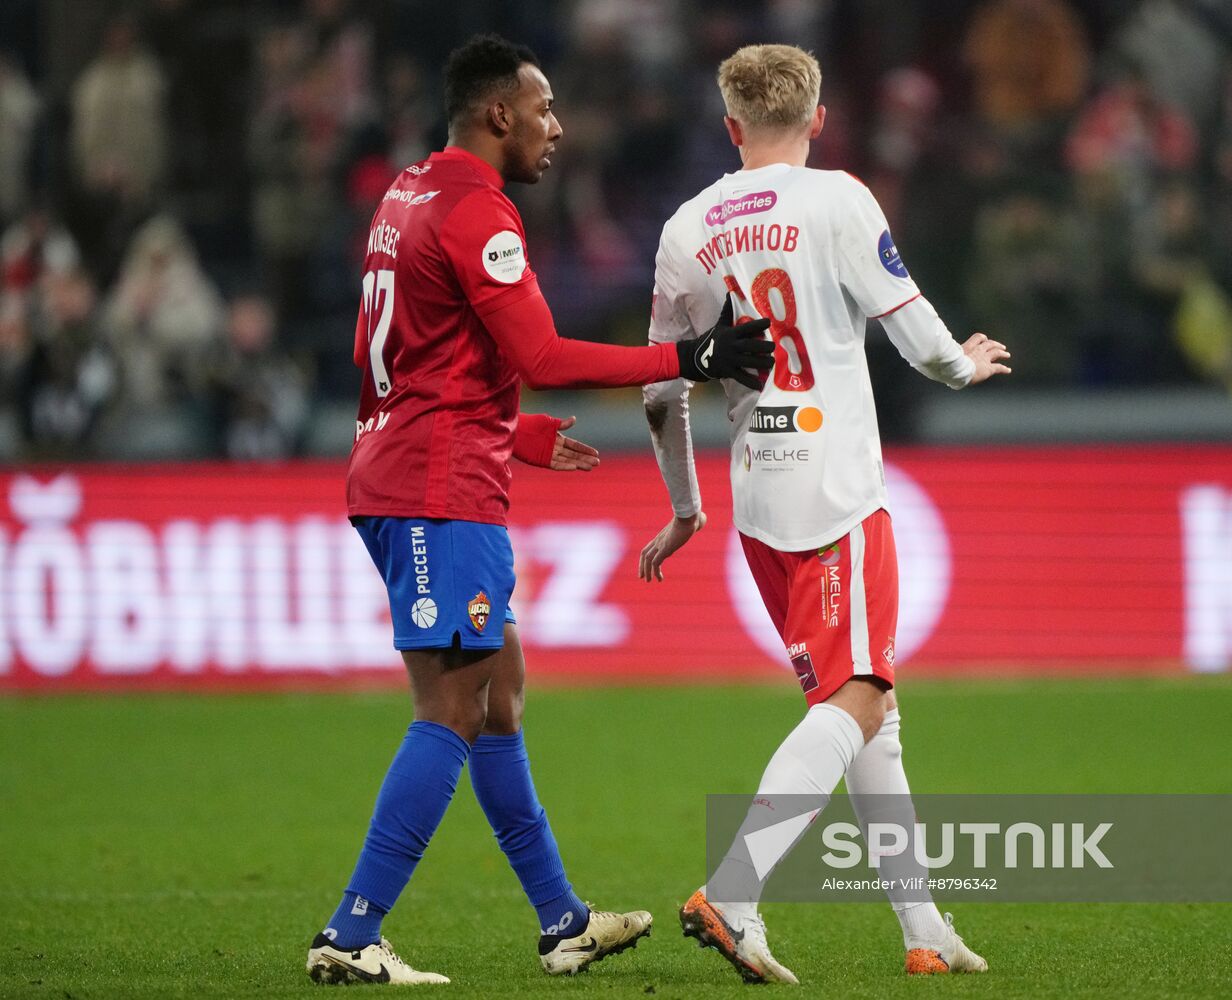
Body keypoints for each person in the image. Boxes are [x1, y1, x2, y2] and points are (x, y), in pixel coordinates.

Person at [306, 34, 772, 986]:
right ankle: (352, 933)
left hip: (410, 465)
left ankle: (563, 922)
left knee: (501, 694)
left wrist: (507, 431)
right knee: (451, 707)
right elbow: (545, 354)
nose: (557, 127)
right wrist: (691, 357)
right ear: (499, 114)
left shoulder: (405, 195)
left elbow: (404, 354)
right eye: (544, 108)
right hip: (437, 491)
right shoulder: (481, 212)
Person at [638, 44, 1011, 983]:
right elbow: (913, 329)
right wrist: (963, 364)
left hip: (758, 494)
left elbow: (660, 388)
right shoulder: (839, 198)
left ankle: (923, 929)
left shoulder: (687, 226)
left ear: (731, 126)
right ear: (818, 119)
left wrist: (684, 508)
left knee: (869, 710)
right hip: (836, 487)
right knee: (859, 695)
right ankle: (733, 892)